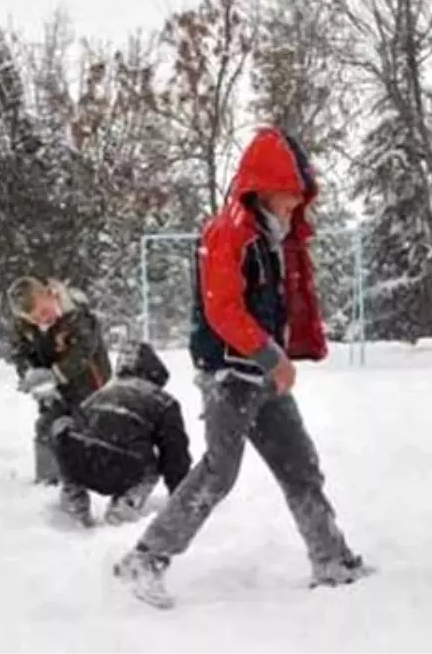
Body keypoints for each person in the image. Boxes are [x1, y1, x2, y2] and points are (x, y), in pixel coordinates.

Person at [113, 127, 367, 609]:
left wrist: (282, 354)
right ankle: (146, 558)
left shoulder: (270, 235)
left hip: (263, 377)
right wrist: (273, 356)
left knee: (300, 466)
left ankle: (331, 558)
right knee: (218, 473)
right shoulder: (227, 232)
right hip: (229, 377)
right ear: (266, 187)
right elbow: (222, 310)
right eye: (291, 195)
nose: (297, 206)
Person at [50, 341, 192, 528]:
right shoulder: (163, 402)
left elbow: (75, 427)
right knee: (154, 465)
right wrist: (181, 495)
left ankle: (74, 506)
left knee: (72, 441)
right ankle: (122, 511)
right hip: (124, 468)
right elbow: (175, 455)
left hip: (81, 464)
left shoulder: (99, 394)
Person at [6, 276, 112, 484]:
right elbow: (20, 353)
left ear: (49, 294)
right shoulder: (25, 326)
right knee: (46, 426)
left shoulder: (77, 315)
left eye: (44, 313)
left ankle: (92, 479)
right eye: (34, 320)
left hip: (90, 383)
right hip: (53, 388)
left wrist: (55, 374)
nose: (42, 321)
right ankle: (48, 481)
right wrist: (29, 374)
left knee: (87, 429)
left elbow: (84, 350)